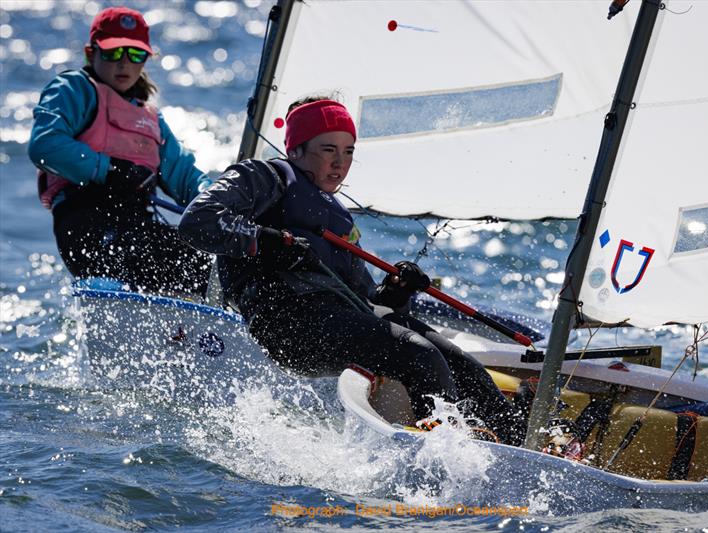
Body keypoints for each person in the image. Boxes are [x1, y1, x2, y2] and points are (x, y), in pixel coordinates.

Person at [178, 97, 527, 445]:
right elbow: (197, 221)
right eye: (328, 149)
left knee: (460, 363)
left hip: (334, 318)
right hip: (288, 323)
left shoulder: (337, 214)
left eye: (348, 152)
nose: (339, 163)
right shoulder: (265, 176)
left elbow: (368, 300)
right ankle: (444, 455)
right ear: (296, 150)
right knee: (418, 354)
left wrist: (398, 288)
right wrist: (263, 240)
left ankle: (516, 445)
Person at [28, 6, 212, 296]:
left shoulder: (151, 119)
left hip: (137, 227)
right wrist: (109, 169)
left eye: (135, 54)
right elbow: (44, 144)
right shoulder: (74, 88)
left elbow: (185, 176)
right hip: (85, 220)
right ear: (91, 53)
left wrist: (218, 201)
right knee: (125, 259)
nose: (124, 63)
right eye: (113, 53)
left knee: (214, 267)